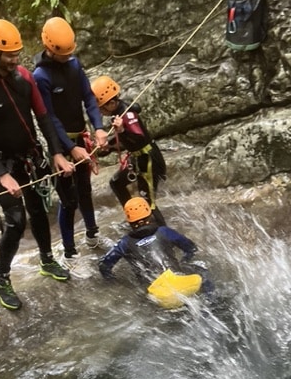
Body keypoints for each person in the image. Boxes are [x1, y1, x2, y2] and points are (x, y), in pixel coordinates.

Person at [0, 18, 74, 311]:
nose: (15, 59)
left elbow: (44, 117)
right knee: (15, 222)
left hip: (30, 156)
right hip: (3, 164)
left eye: (17, 53)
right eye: (9, 54)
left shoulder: (24, 77)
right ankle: (2, 280)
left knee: (39, 210)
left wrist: (57, 153)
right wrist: (1, 175)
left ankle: (47, 260)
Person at [32, 17, 109, 258]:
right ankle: (69, 252)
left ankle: (92, 232)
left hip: (81, 138)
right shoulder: (41, 76)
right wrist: (69, 148)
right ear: (49, 48)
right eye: (63, 54)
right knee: (68, 200)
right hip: (59, 145)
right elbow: (49, 117)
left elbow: (88, 98)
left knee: (85, 189)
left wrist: (98, 128)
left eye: (69, 53)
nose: (67, 57)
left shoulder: (75, 66)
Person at [98, 197, 209, 306]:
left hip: (157, 295)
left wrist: (113, 281)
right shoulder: (164, 231)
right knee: (202, 274)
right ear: (150, 215)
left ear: (129, 220)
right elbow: (191, 248)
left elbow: (104, 266)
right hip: (183, 285)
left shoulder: (124, 243)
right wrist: (184, 262)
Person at [91, 75, 167, 224]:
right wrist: (108, 147)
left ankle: (161, 235)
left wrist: (121, 132)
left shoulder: (127, 115)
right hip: (138, 158)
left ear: (111, 103)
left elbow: (138, 139)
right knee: (117, 182)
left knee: (148, 204)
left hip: (148, 159)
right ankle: (134, 218)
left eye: (101, 108)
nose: (100, 112)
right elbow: (125, 142)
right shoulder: (117, 114)